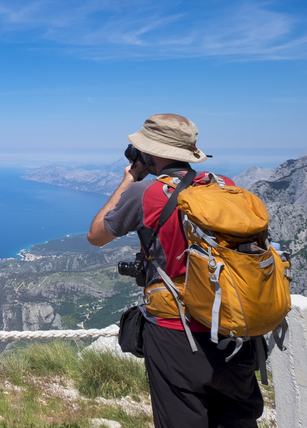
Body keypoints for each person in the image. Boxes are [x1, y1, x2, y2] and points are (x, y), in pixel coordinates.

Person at [87, 114, 263, 428]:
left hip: (176, 334)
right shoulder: (226, 187)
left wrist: (130, 179)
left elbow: (97, 235)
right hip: (235, 330)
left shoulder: (147, 193)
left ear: (151, 152)